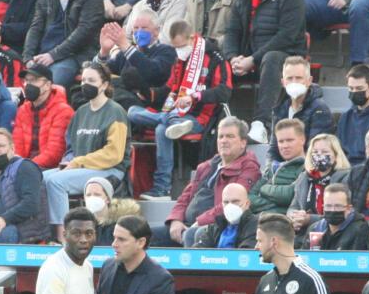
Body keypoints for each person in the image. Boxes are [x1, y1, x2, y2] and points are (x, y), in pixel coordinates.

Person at [126, 18, 232, 197]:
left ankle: (162, 188)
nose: (179, 51)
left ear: (192, 38)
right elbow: (170, 89)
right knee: (132, 112)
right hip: (175, 114)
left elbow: (225, 91)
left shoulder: (215, 58)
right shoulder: (180, 60)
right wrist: (149, 94)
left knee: (161, 129)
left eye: (181, 46)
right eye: (175, 47)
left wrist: (195, 96)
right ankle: (170, 120)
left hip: (200, 118)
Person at [222, 0, 307, 145]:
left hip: (284, 58)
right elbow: (232, 32)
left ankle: (261, 125)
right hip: (248, 59)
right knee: (217, 62)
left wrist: (253, 59)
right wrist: (233, 57)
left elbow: (287, 36)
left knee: (271, 58)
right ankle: (216, 126)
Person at [45, 62, 130, 232]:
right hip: (81, 168)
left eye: (91, 80)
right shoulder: (81, 112)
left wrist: (78, 162)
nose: (85, 84)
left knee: (55, 182)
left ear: (104, 85)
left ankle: (63, 233)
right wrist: (69, 161)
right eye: (83, 80)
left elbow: (114, 154)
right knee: (40, 178)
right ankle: (44, 231)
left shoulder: (116, 112)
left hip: (110, 170)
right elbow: (71, 147)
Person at [168, 117, 261, 242]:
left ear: (243, 143)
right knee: (151, 234)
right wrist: (176, 219)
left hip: (217, 224)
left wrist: (199, 222)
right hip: (188, 223)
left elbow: (232, 203)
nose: (224, 141)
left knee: (191, 235)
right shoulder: (206, 166)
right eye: (221, 136)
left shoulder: (249, 168)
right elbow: (185, 197)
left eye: (230, 136)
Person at [24, 0, 104, 86]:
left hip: (76, 55)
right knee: (26, 80)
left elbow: (84, 31)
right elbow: (35, 28)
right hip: (45, 52)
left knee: (51, 82)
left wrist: (53, 55)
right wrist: (28, 57)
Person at [286, 132, 351, 239]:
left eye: (325, 152)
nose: (319, 156)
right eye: (315, 152)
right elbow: (293, 206)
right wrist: (294, 217)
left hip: (334, 233)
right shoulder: (304, 178)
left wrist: (309, 219)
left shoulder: (346, 178)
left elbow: (344, 214)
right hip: (303, 234)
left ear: (336, 155)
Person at [11, 62, 74, 170]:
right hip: (24, 166)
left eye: (34, 80)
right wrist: (17, 165)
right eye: (26, 81)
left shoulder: (63, 111)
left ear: (48, 85)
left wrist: (25, 167)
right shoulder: (23, 110)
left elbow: (55, 154)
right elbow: (17, 146)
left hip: (49, 168)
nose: (28, 85)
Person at [249, 119, 306, 216]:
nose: (285, 146)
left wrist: (263, 189)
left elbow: (290, 195)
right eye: (281, 141)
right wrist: (277, 206)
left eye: (290, 140)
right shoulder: (272, 168)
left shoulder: (307, 167)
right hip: (260, 220)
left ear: (302, 140)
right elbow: (250, 198)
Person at [306, 182, 369, 250]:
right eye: (328, 206)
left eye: (338, 206)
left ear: (349, 209)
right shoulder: (315, 229)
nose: (332, 210)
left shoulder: (360, 231)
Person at [193, 182, 257, 247]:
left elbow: (246, 251)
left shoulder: (255, 225)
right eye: (226, 202)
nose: (230, 206)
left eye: (235, 201)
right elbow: (198, 249)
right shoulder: (216, 226)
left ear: (247, 204)